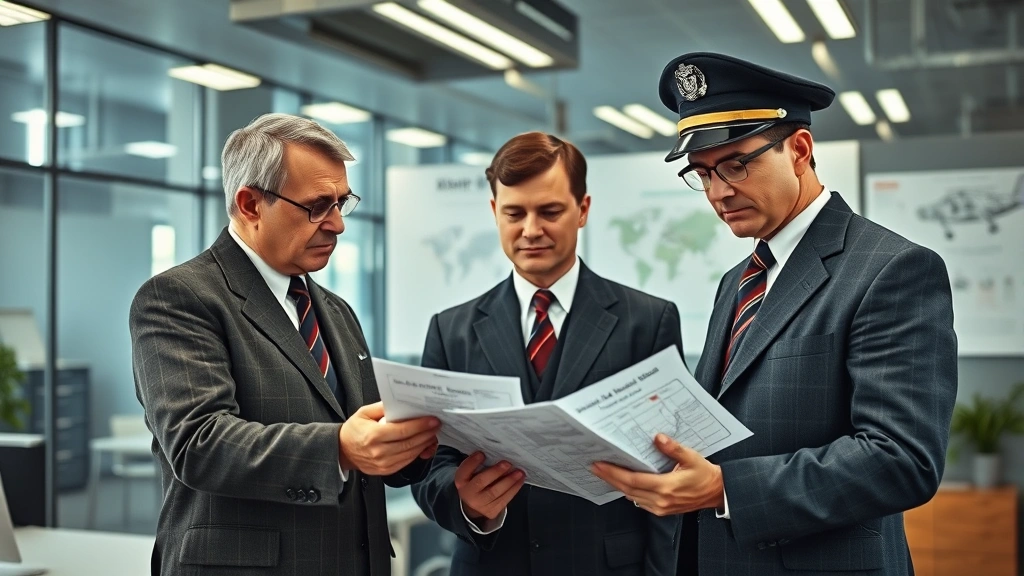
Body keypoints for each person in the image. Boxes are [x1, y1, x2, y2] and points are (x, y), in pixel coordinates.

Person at [591, 52, 958, 575]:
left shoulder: (893, 270)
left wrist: (724, 489)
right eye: (702, 174)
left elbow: (902, 460)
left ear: (800, 149)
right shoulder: (738, 279)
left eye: (736, 164)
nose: (718, 192)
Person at [130, 113, 440, 576]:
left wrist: (413, 446)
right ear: (251, 204)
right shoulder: (179, 298)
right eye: (318, 206)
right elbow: (199, 442)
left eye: (343, 202)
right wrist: (338, 448)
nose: (337, 224)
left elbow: (363, 438)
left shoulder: (335, 310)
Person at [410, 132, 682, 576]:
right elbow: (428, 463)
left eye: (550, 211)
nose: (531, 230)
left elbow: (669, 468)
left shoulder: (647, 322)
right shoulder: (451, 329)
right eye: (514, 213)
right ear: (495, 212)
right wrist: (466, 503)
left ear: (583, 210)